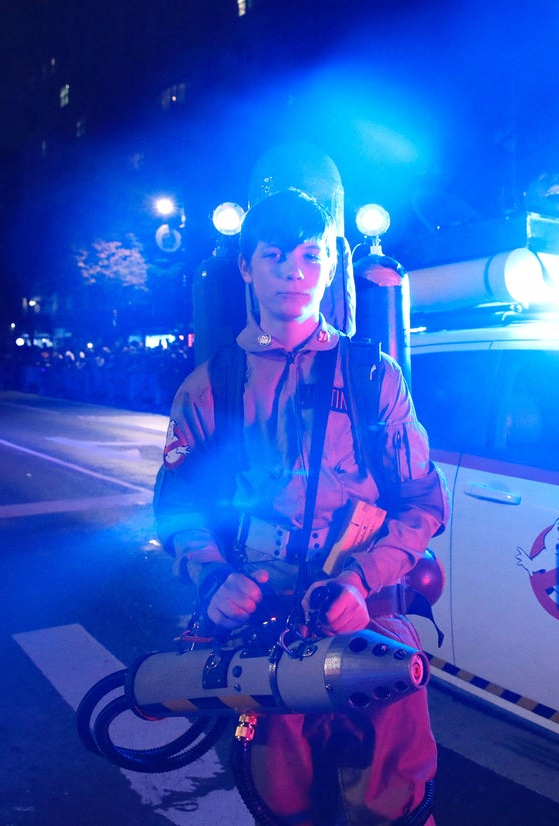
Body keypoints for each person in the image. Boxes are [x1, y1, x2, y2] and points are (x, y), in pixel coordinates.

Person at [153, 189, 448, 826]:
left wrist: (360, 578)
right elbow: (176, 507)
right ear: (246, 267)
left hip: (366, 628)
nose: (294, 270)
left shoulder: (375, 378)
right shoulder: (210, 387)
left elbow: (422, 504)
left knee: (393, 803)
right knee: (281, 805)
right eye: (275, 254)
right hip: (262, 636)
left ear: (329, 267)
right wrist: (213, 576)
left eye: (311, 255)